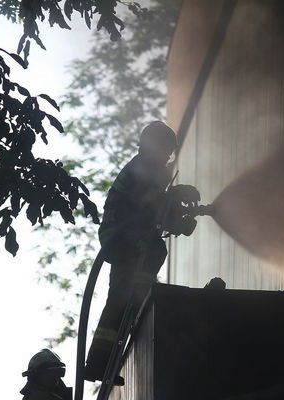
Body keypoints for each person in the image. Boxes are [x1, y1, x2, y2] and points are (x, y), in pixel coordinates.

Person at [84, 121, 178, 385]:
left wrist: (175, 213)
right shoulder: (142, 167)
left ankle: (102, 363)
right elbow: (149, 203)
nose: (168, 156)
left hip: (131, 238)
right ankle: (97, 363)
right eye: (165, 149)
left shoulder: (151, 169)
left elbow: (155, 212)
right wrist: (174, 198)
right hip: (123, 238)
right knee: (120, 298)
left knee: (126, 299)